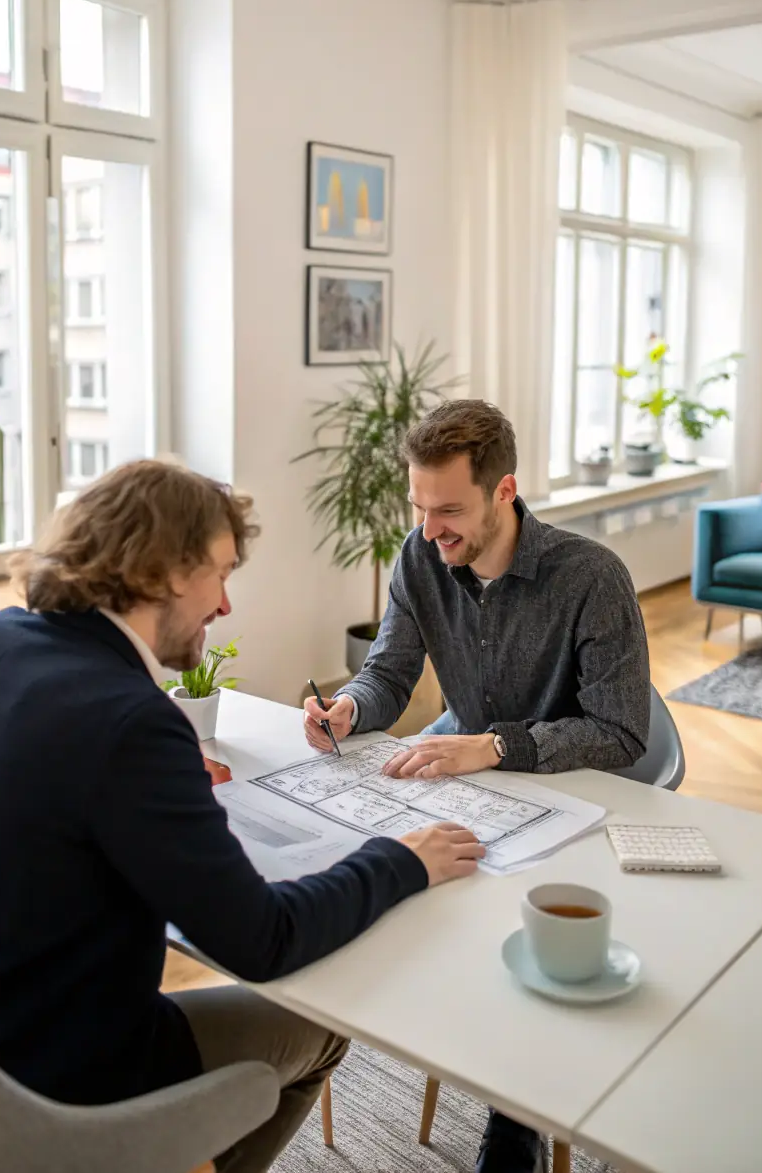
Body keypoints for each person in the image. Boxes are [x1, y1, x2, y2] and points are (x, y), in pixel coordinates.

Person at [0, 460, 484, 1173]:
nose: (223, 604)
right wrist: (400, 858)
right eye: (219, 575)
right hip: (47, 1096)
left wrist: (153, 779)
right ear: (161, 572)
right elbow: (264, 942)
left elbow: (46, 789)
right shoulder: (130, 721)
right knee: (320, 1031)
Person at [303, 399, 650, 1173]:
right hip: (472, 774)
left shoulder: (592, 577)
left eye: (450, 510)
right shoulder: (420, 554)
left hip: (574, 790)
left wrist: (495, 744)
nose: (430, 530)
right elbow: (390, 671)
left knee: (512, 924)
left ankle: (517, 1115)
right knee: (382, 869)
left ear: (504, 491)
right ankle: (438, 1028)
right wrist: (350, 706)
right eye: (420, 507)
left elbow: (623, 732)